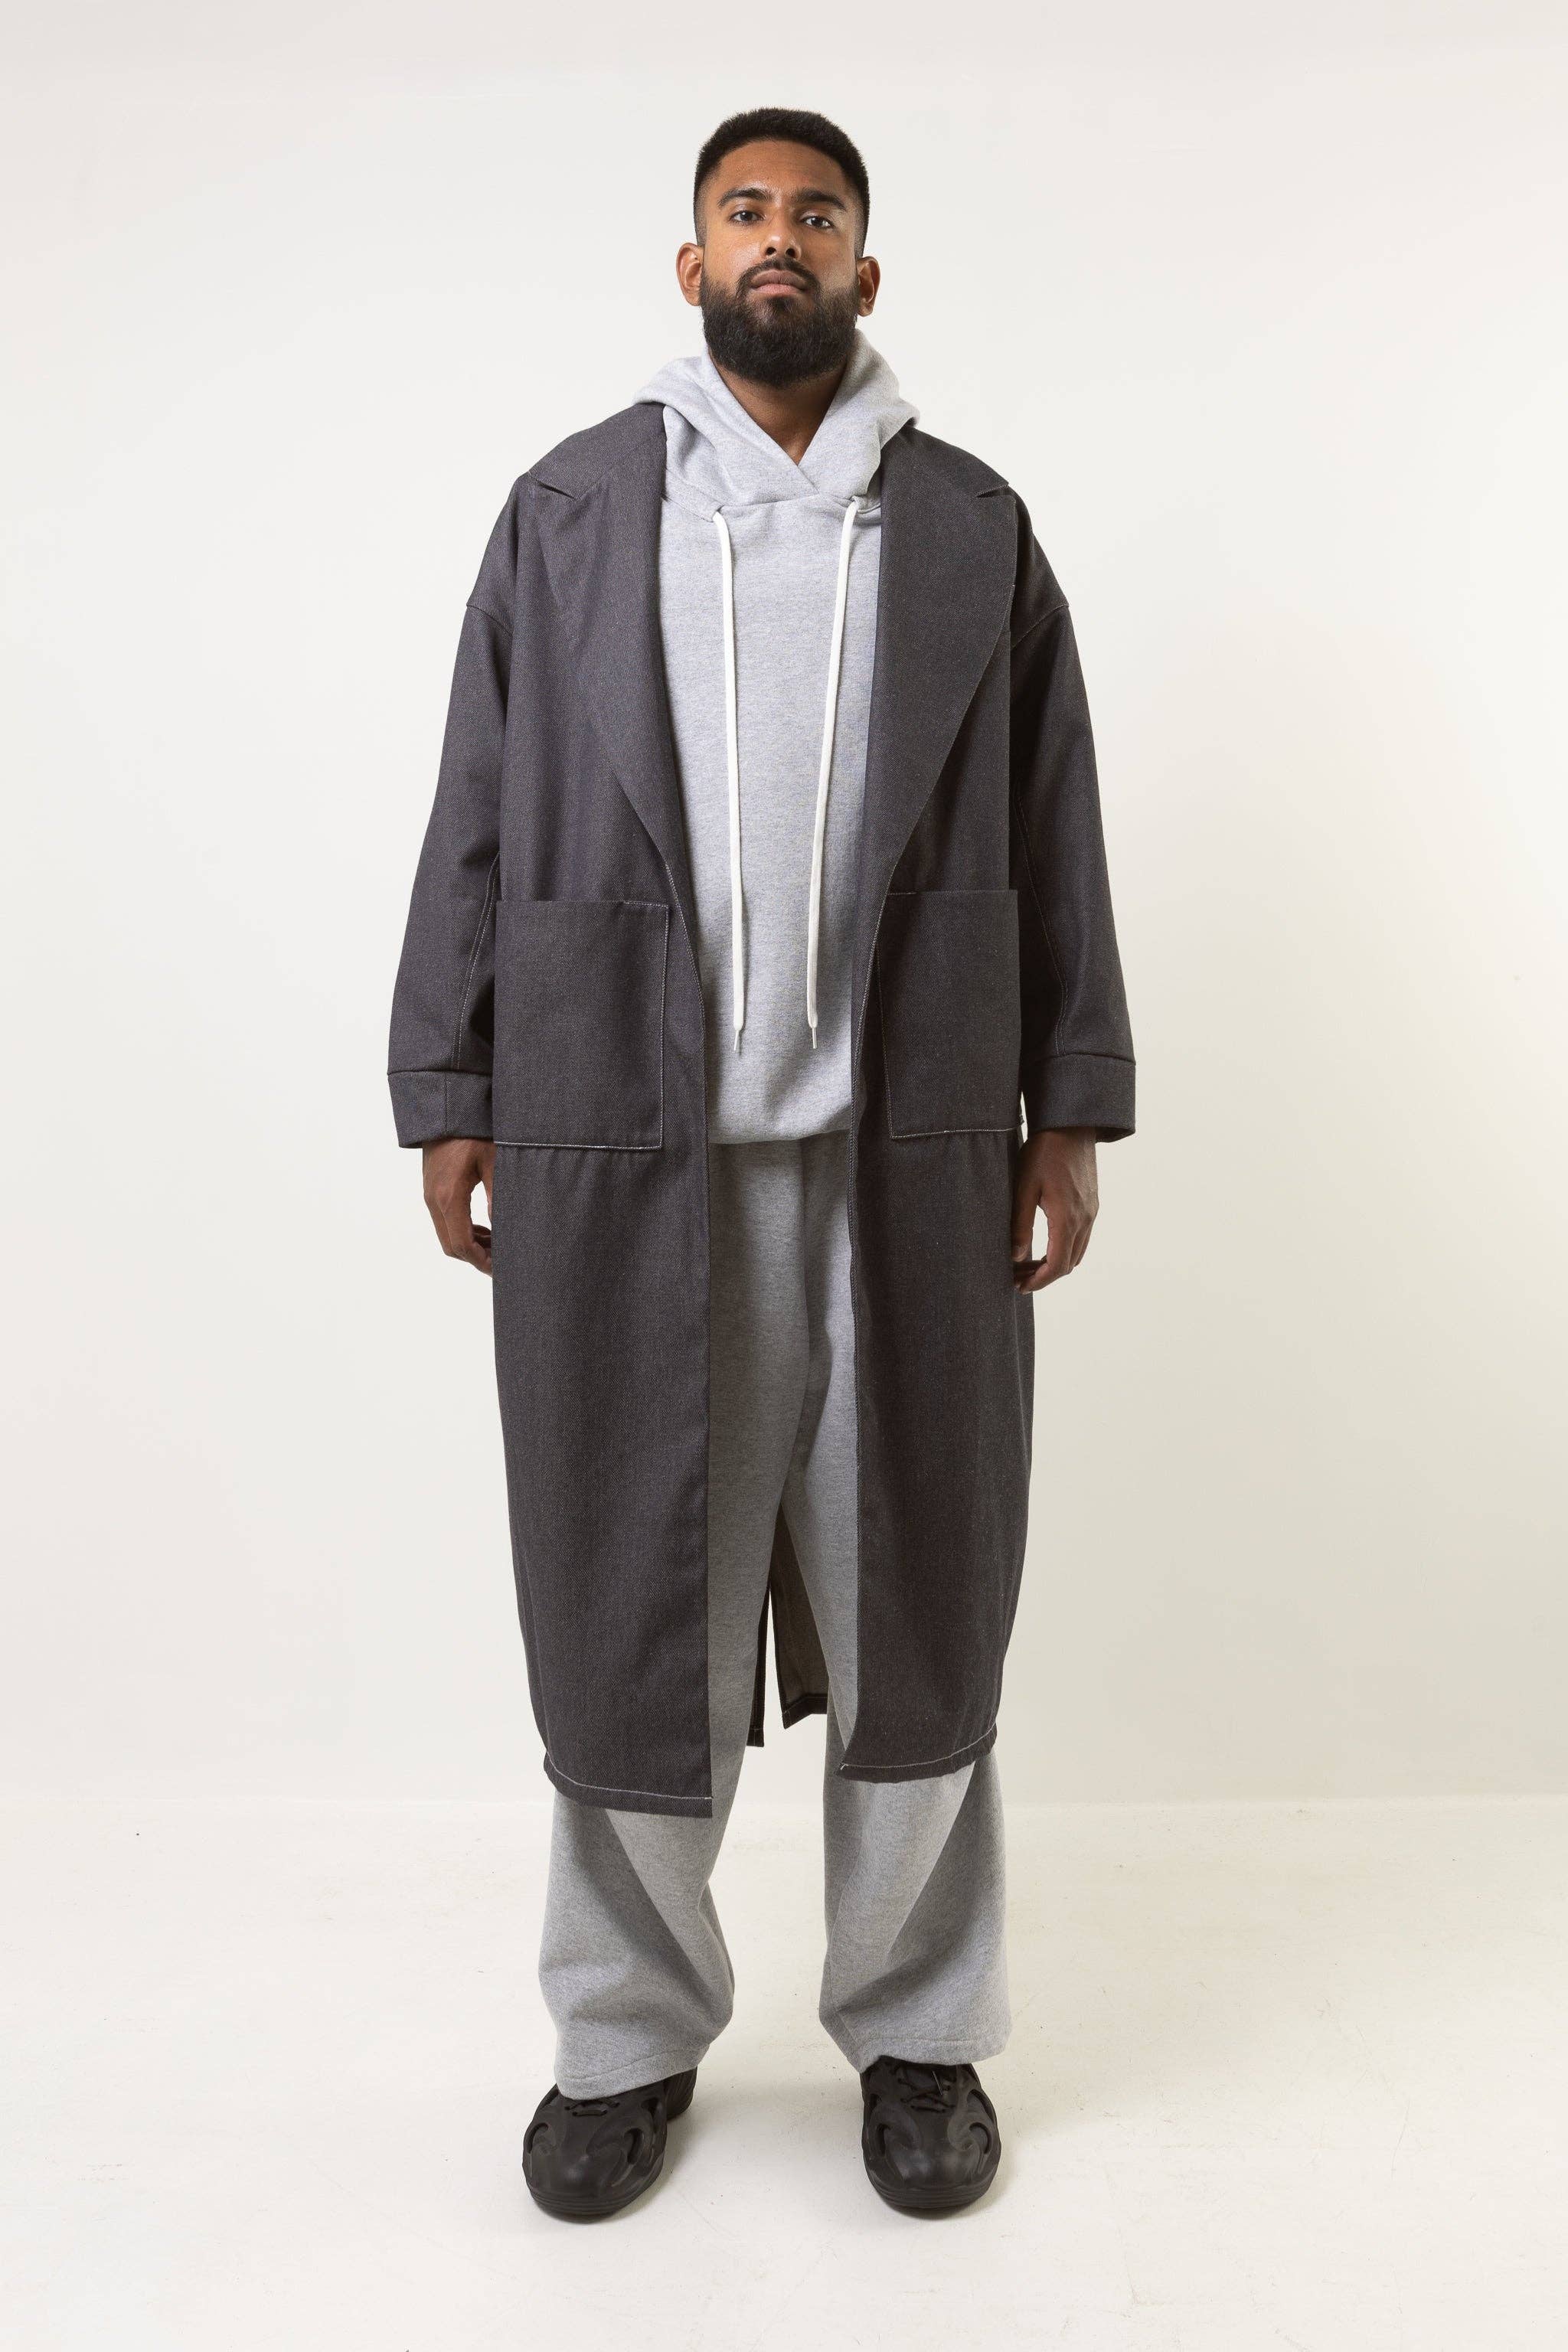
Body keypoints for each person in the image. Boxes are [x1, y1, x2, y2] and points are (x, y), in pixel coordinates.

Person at [387, 105, 1135, 2221]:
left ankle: (919, 2030)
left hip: (910, 1157)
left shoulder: (973, 530)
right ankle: (623, 2042)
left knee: (923, 1609)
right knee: (629, 1608)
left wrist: (1069, 1101)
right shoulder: (568, 514)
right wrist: (451, 1079)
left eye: (816, 214)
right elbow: (475, 806)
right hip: (628, 1159)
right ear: (692, 261)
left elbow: (1055, 821)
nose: (779, 238)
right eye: (745, 211)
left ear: (865, 272)